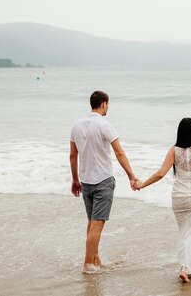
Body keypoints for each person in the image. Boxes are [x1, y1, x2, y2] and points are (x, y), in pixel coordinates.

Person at [136, 118, 191, 282]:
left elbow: (160, 173)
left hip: (179, 198)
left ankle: (185, 266)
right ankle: (186, 268)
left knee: (184, 233)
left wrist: (142, 184)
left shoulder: (174, 151)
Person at [69, 90, 140, 273]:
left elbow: (72, 155)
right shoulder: (105, 125)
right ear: (103, 104)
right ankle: (88, 264)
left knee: (92, 222)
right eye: (107, 104)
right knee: (97, 223)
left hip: (85, 181)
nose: (108, 107)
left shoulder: (76, 125)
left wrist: (75, 179)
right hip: (102, 180)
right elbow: (119, 152)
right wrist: (131, 176)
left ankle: (95, 258)